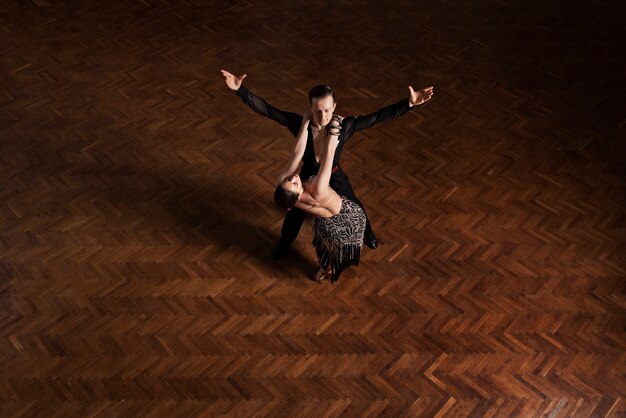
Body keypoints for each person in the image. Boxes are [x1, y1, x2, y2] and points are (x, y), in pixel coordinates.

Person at [220, 70, 433, 259]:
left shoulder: (345, 126)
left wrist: (410, 104)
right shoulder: (299, 124)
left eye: (328, 110)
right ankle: (284, 244)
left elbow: (377, 117)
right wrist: (241, 91)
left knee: (355, 204)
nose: (323, 116)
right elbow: (268, 110)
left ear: (335, 107)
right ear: (311, 108)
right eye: (318, 111)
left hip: (334, 174)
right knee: (294, 216)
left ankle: (368, 235)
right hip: (307, 177)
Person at [274, 113, 364, 282]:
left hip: (326, 214)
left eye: (289, 180)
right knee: (332, 246)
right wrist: (336, 126)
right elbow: (329, 154)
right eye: (294, 184)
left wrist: (306, 121)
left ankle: (327, 266)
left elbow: (297, 152)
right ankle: (329, 268)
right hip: (349, 219)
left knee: (324, 235)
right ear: (298, 194)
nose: (293, 178)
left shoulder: (286, 190)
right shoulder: (318, 189)